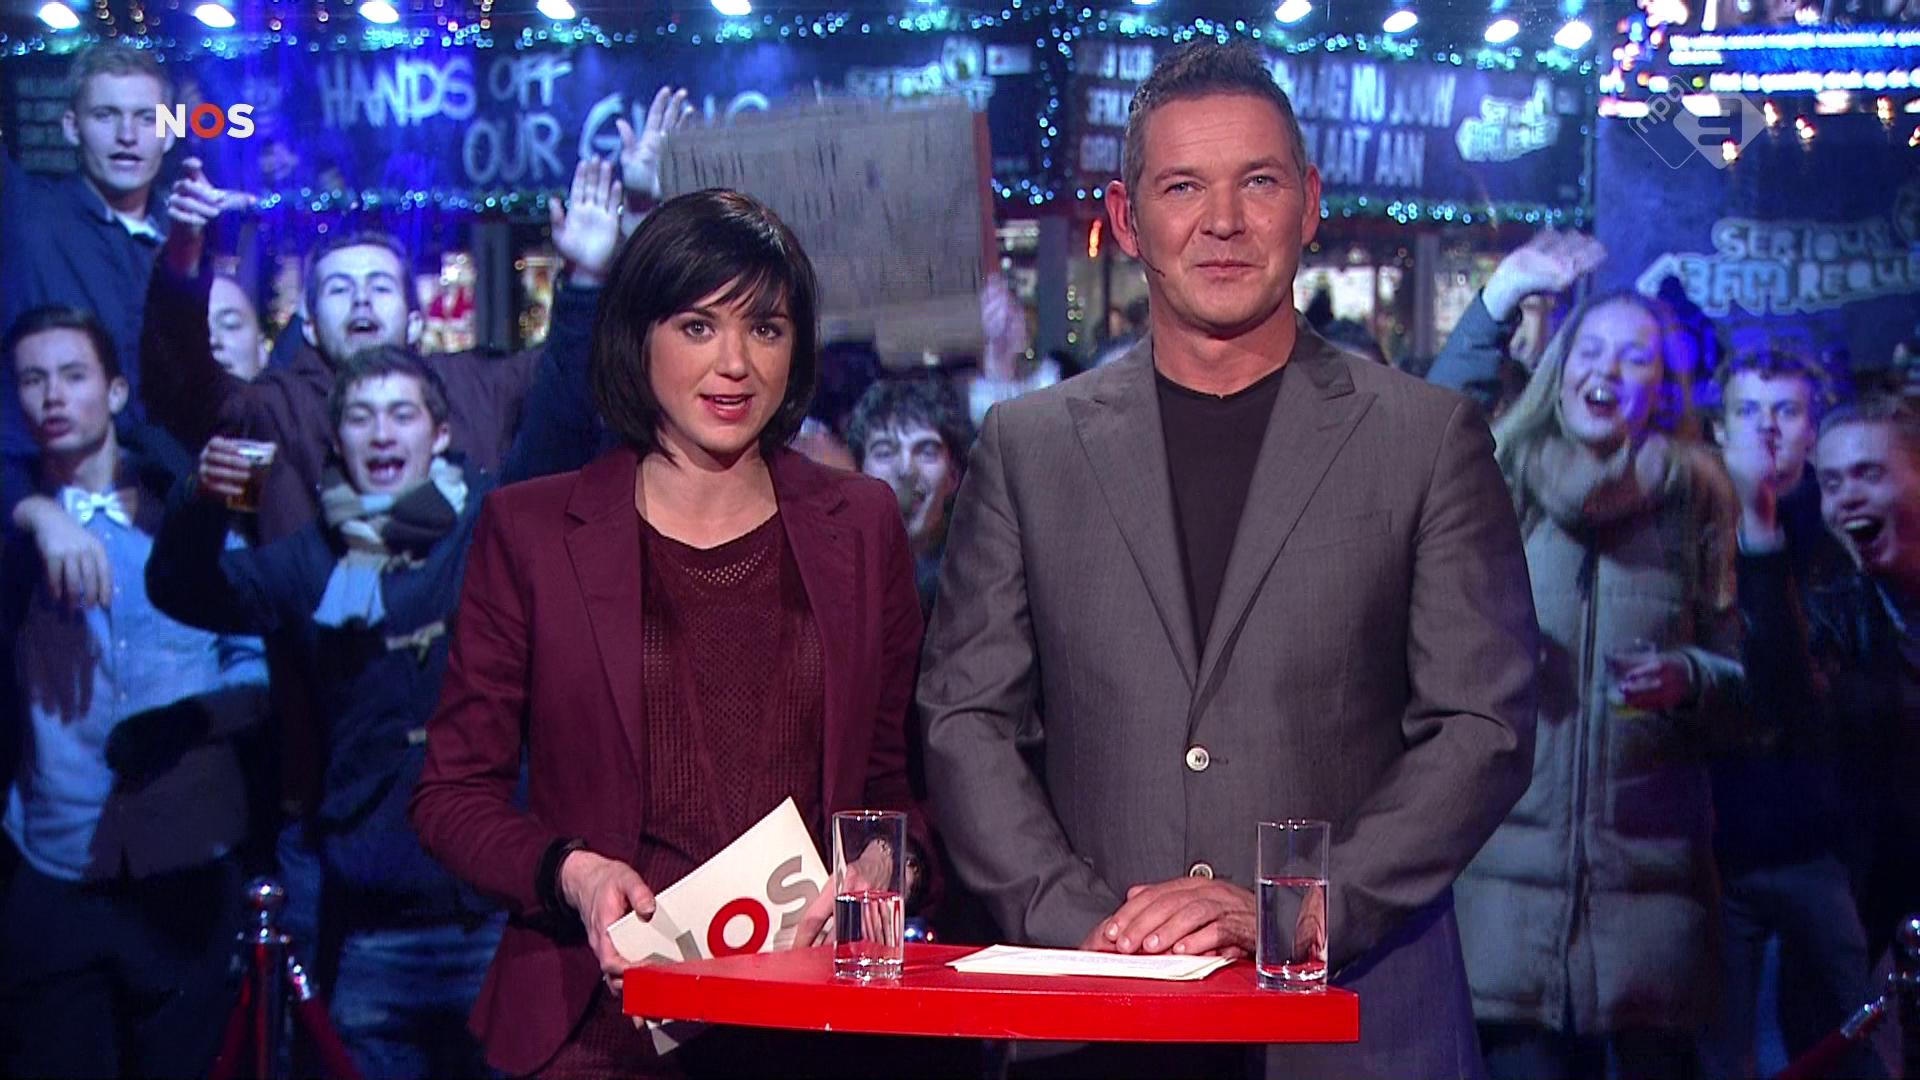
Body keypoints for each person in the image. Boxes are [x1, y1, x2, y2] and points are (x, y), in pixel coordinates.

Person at [919, 41, 1539, 1079]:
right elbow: (965, 720)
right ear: (1125, 218)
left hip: (1355, 1019)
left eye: (1258, 183)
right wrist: (1091, 930)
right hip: (1096, 1018)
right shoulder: (1030, 447)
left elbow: (1482, 727)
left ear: (1310, 202)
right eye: (1182, 187)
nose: (1222, 222)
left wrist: (1294, 908)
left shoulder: (1425, 438)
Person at [410, 189, 936, 1078]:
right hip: (600, 1027)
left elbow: (896, 786)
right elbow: (452, 795)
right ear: (638, 337)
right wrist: (571, 873)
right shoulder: (531, 532)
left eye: (765, 328)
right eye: (698, 326)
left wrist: (887, 873)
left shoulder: (859, 523)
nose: (735, 363)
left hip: (812, 1022)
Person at [140, 158, 621, 1080]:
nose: (383, 431)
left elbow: (564, 409)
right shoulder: (308, 553)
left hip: (493, 910)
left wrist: (590, 277)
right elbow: (188, 587)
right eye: (362, 418)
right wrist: (200, 501)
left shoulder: (490, 519)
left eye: (402, 414)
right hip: (367, 916)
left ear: (439, 433)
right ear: (337, 438)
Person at [1451, 289, 1746, 1080]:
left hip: (1653, 902)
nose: (1606, 370)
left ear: (1662, 385)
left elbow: (1744, 679)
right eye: (1590, 350)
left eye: (1633, 357)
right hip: (1506, 900)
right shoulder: (1500, 474)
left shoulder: (1698, 492)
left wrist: (1690, 679)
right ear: (1560, 368)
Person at [0, 305, 268, 1078]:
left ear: (116, 392)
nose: (53, 395)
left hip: (187, 855)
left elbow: (257, 670)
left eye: (72, 375)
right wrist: (37, 516)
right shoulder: (19, 530)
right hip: (57, 861)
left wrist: (190, 721)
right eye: (33, 379)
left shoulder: (188, 520)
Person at [1703, 349, 1882, 1079]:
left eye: (1786, 411)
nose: (1767, 431)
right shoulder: (1687, 530)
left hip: (1819, 839)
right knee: (1720, 1053)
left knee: (1853, 1038)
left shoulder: (1840, 540)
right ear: (1719, 430)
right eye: (1748, 412)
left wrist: (1765, 533)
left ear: (1813, 429)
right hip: (1715, 844)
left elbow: (1804, 695)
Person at [1737, 395, 1920, 969]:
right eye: (1833, 483)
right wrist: (1761, 531)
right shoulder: (1835, 611)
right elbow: (1787, 699)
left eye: (1870, 474)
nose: (1848, 497)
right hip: (1876, 927)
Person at [1, 44, 182, 512]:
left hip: (168, 500)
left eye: (146, 118)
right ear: (71, 127)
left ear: (168, 133)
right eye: (106, 115)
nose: (128, 135)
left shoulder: (187, 232)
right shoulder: (27, 218)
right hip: (46, 496)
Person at [845, 377, 975, 615]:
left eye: (927, 451)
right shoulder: (833, 573)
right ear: (857, 472)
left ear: (953, 477)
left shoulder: (982, 574)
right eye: (885, 452)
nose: (906, 469)